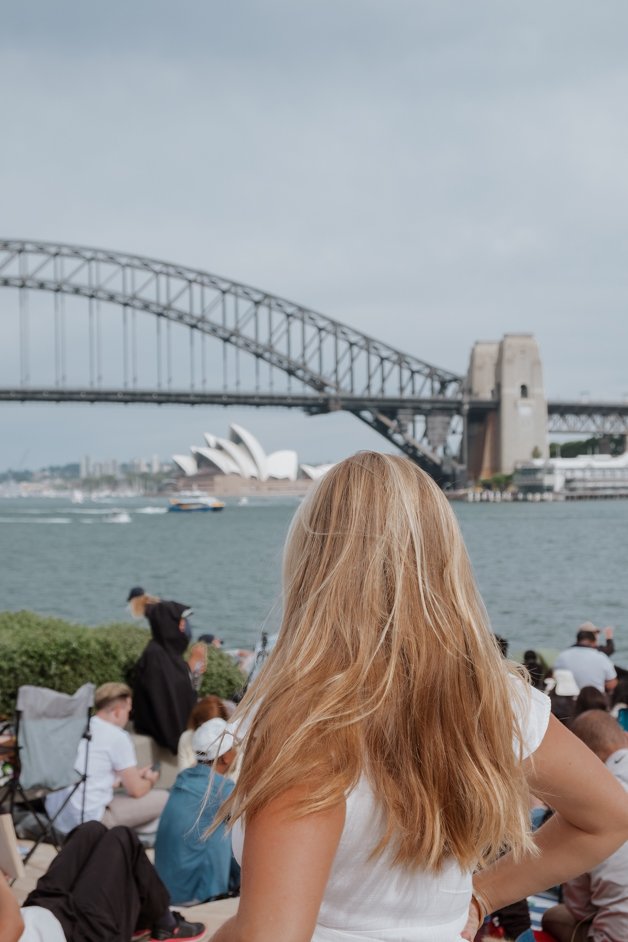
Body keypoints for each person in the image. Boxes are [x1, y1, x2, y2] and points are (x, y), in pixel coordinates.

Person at [204, 452, 628, 942]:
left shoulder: (307, 720)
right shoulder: (496, 698)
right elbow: (608, 820)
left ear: (311, 563)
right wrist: (481, 895)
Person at [0, 820, 205, 942]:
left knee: (90, 830)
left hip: (39, 912)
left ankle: (144, 918)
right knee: (121, 838)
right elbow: (13, 926)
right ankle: (166, 924)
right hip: (76, 934)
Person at [542, 710, 628, 942]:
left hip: (615, 933)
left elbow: (579, 908)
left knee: (554, 916)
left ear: (586, 758)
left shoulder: (589, 805)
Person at [45, 682, 168, 834]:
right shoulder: (117, 736)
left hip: (57, 817)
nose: (128, 717)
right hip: (90, 821)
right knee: (165, 798)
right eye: (128, 711)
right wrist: (150, 780)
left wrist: (130, 777)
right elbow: (136, 791)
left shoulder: (76, 727)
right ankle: (133, 835)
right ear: (117, 711)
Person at [155, 719, 239, 906]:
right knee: (233, 833)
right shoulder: (222, 789)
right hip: (194, 895)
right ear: (225, 757)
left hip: (167, 888)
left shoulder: (183, 780)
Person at [130, 595, 199, 754]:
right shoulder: (156, 658)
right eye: (180, 622)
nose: (184, 627)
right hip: (170, 742)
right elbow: (165, 707)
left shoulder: (170, 656)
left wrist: (192, 671)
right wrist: (181, 745)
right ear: (168, 624)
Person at [554, 627, 617, 695]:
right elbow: (612, 684)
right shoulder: (601, 656)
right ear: (594, 641)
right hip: (593, 698)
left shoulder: (563, 655)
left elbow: (554, 675)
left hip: (568, 697)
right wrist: (609, 637)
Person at [177, 695, 230, 772]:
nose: (209, 734)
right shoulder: (187, 738)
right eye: (204, 727)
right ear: (197, 723)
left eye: (215, 727)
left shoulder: (231, 742)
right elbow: (183, 773)